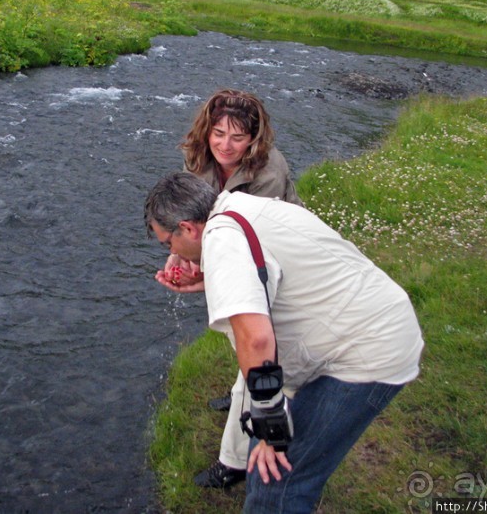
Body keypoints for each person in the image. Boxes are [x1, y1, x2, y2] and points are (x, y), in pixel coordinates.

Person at [145, 173, 424, 513]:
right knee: (262, 457)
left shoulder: (221, 241)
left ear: (188, 228)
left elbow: (257, 339)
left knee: (274, 482)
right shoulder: (241, 206)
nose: (172, 253)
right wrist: (212, 280)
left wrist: (271, 430)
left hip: (369, 351)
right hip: (375, 320)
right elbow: (269, 272)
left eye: (168, 243)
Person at [165, 89, 303, 489]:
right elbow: (193, 216)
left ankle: (234, 463)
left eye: (237, 137)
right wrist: (180, 251)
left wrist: (200, 265)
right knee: (241, 336)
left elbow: (246, 244)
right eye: (218, 133)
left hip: (274, 255)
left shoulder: (269, 174)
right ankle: (243, 386)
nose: (225, 145)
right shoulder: (198, 155)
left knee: (260, 346)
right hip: (234, 248)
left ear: (254, 140)